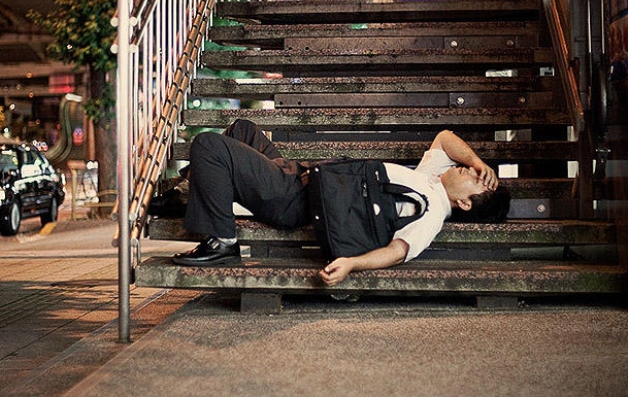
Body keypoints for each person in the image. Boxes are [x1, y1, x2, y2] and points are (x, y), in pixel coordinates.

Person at [172, 120, 510, 286]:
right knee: (243, 129)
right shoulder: (431, 179)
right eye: (478, 172)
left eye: (476, 179)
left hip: (292, 197)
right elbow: (446, 138)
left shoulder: (431, 214)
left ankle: (223, 239)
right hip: (301, 174)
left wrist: (351, 264)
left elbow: (397, 251)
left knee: (208, 145)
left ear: (465, 204)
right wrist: (480, 162)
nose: (470, 170)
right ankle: (192, 194)